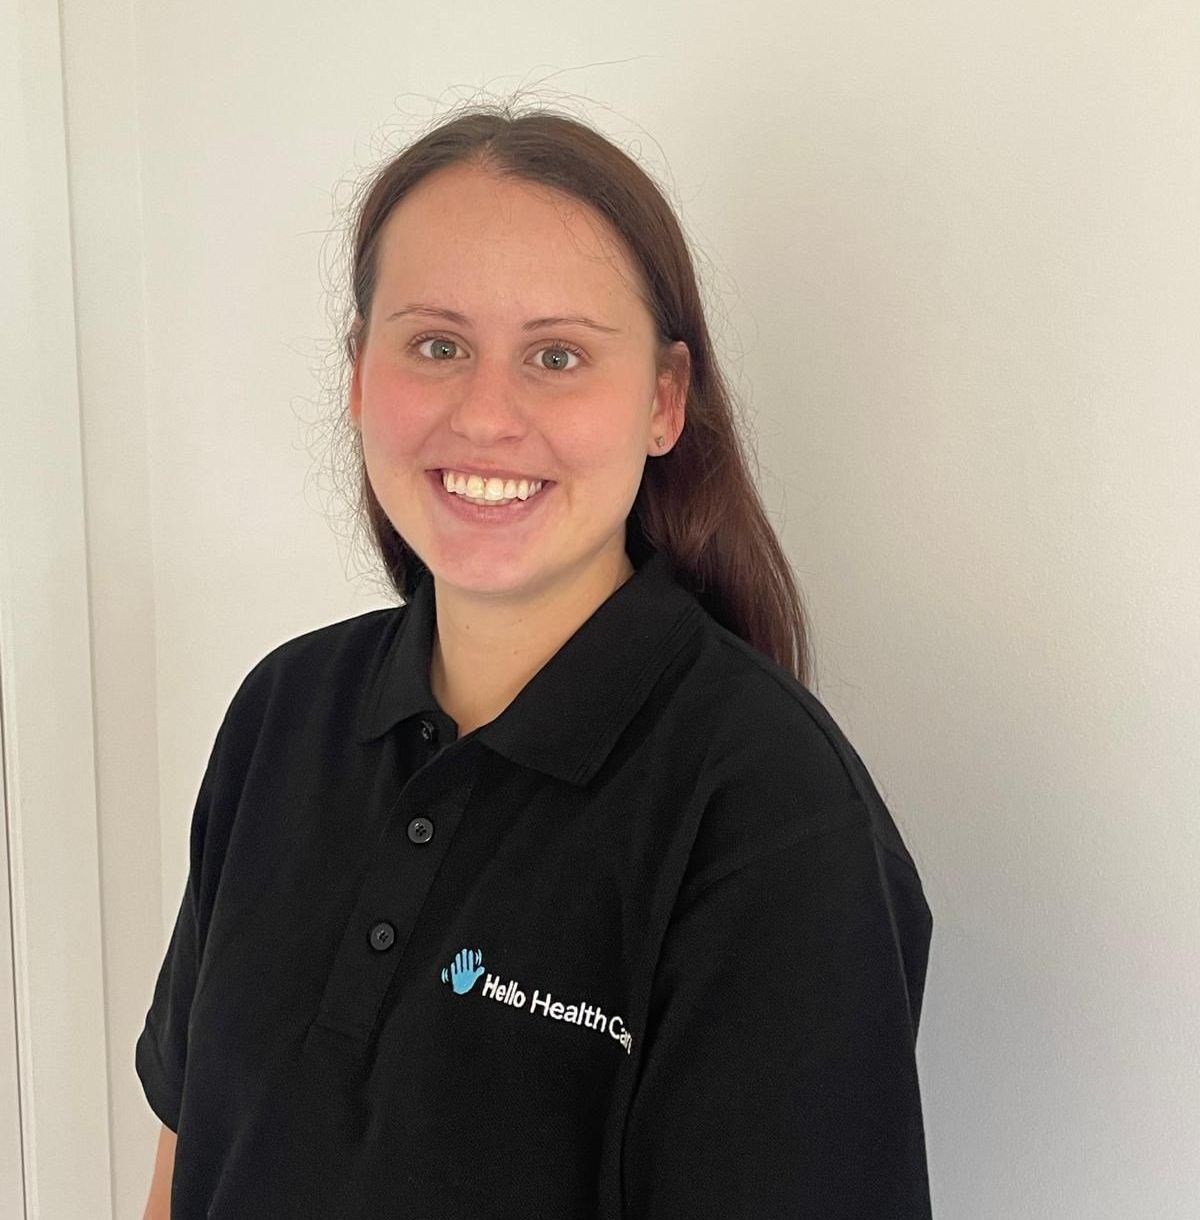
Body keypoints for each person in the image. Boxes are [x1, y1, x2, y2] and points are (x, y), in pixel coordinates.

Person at [137, 103, 933, 1219]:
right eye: (437, 345)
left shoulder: (769, 812)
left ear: (663, 400)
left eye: (556, 355)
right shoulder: (284, 711)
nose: (487, 413)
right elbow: (189, 1151)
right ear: (360, 373)